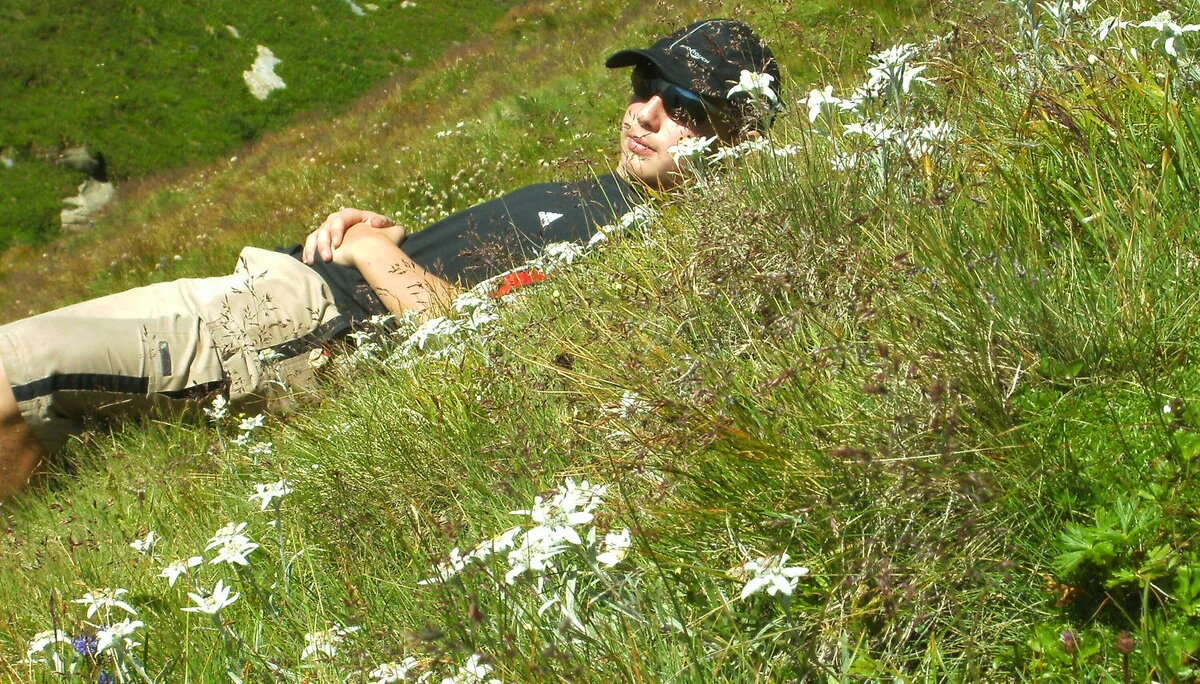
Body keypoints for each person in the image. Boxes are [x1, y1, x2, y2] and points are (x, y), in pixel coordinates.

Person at [0, 19, 782, 498]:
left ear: (740, 136)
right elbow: (477, 273)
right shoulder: (596, 194)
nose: (646, 111)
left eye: (684, 107)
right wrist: (386, 232)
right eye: (648, 83)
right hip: (278, 286)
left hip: (298, 331)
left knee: (13, 376)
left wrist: (371, 253)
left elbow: (466, 337)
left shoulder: (640, 249)